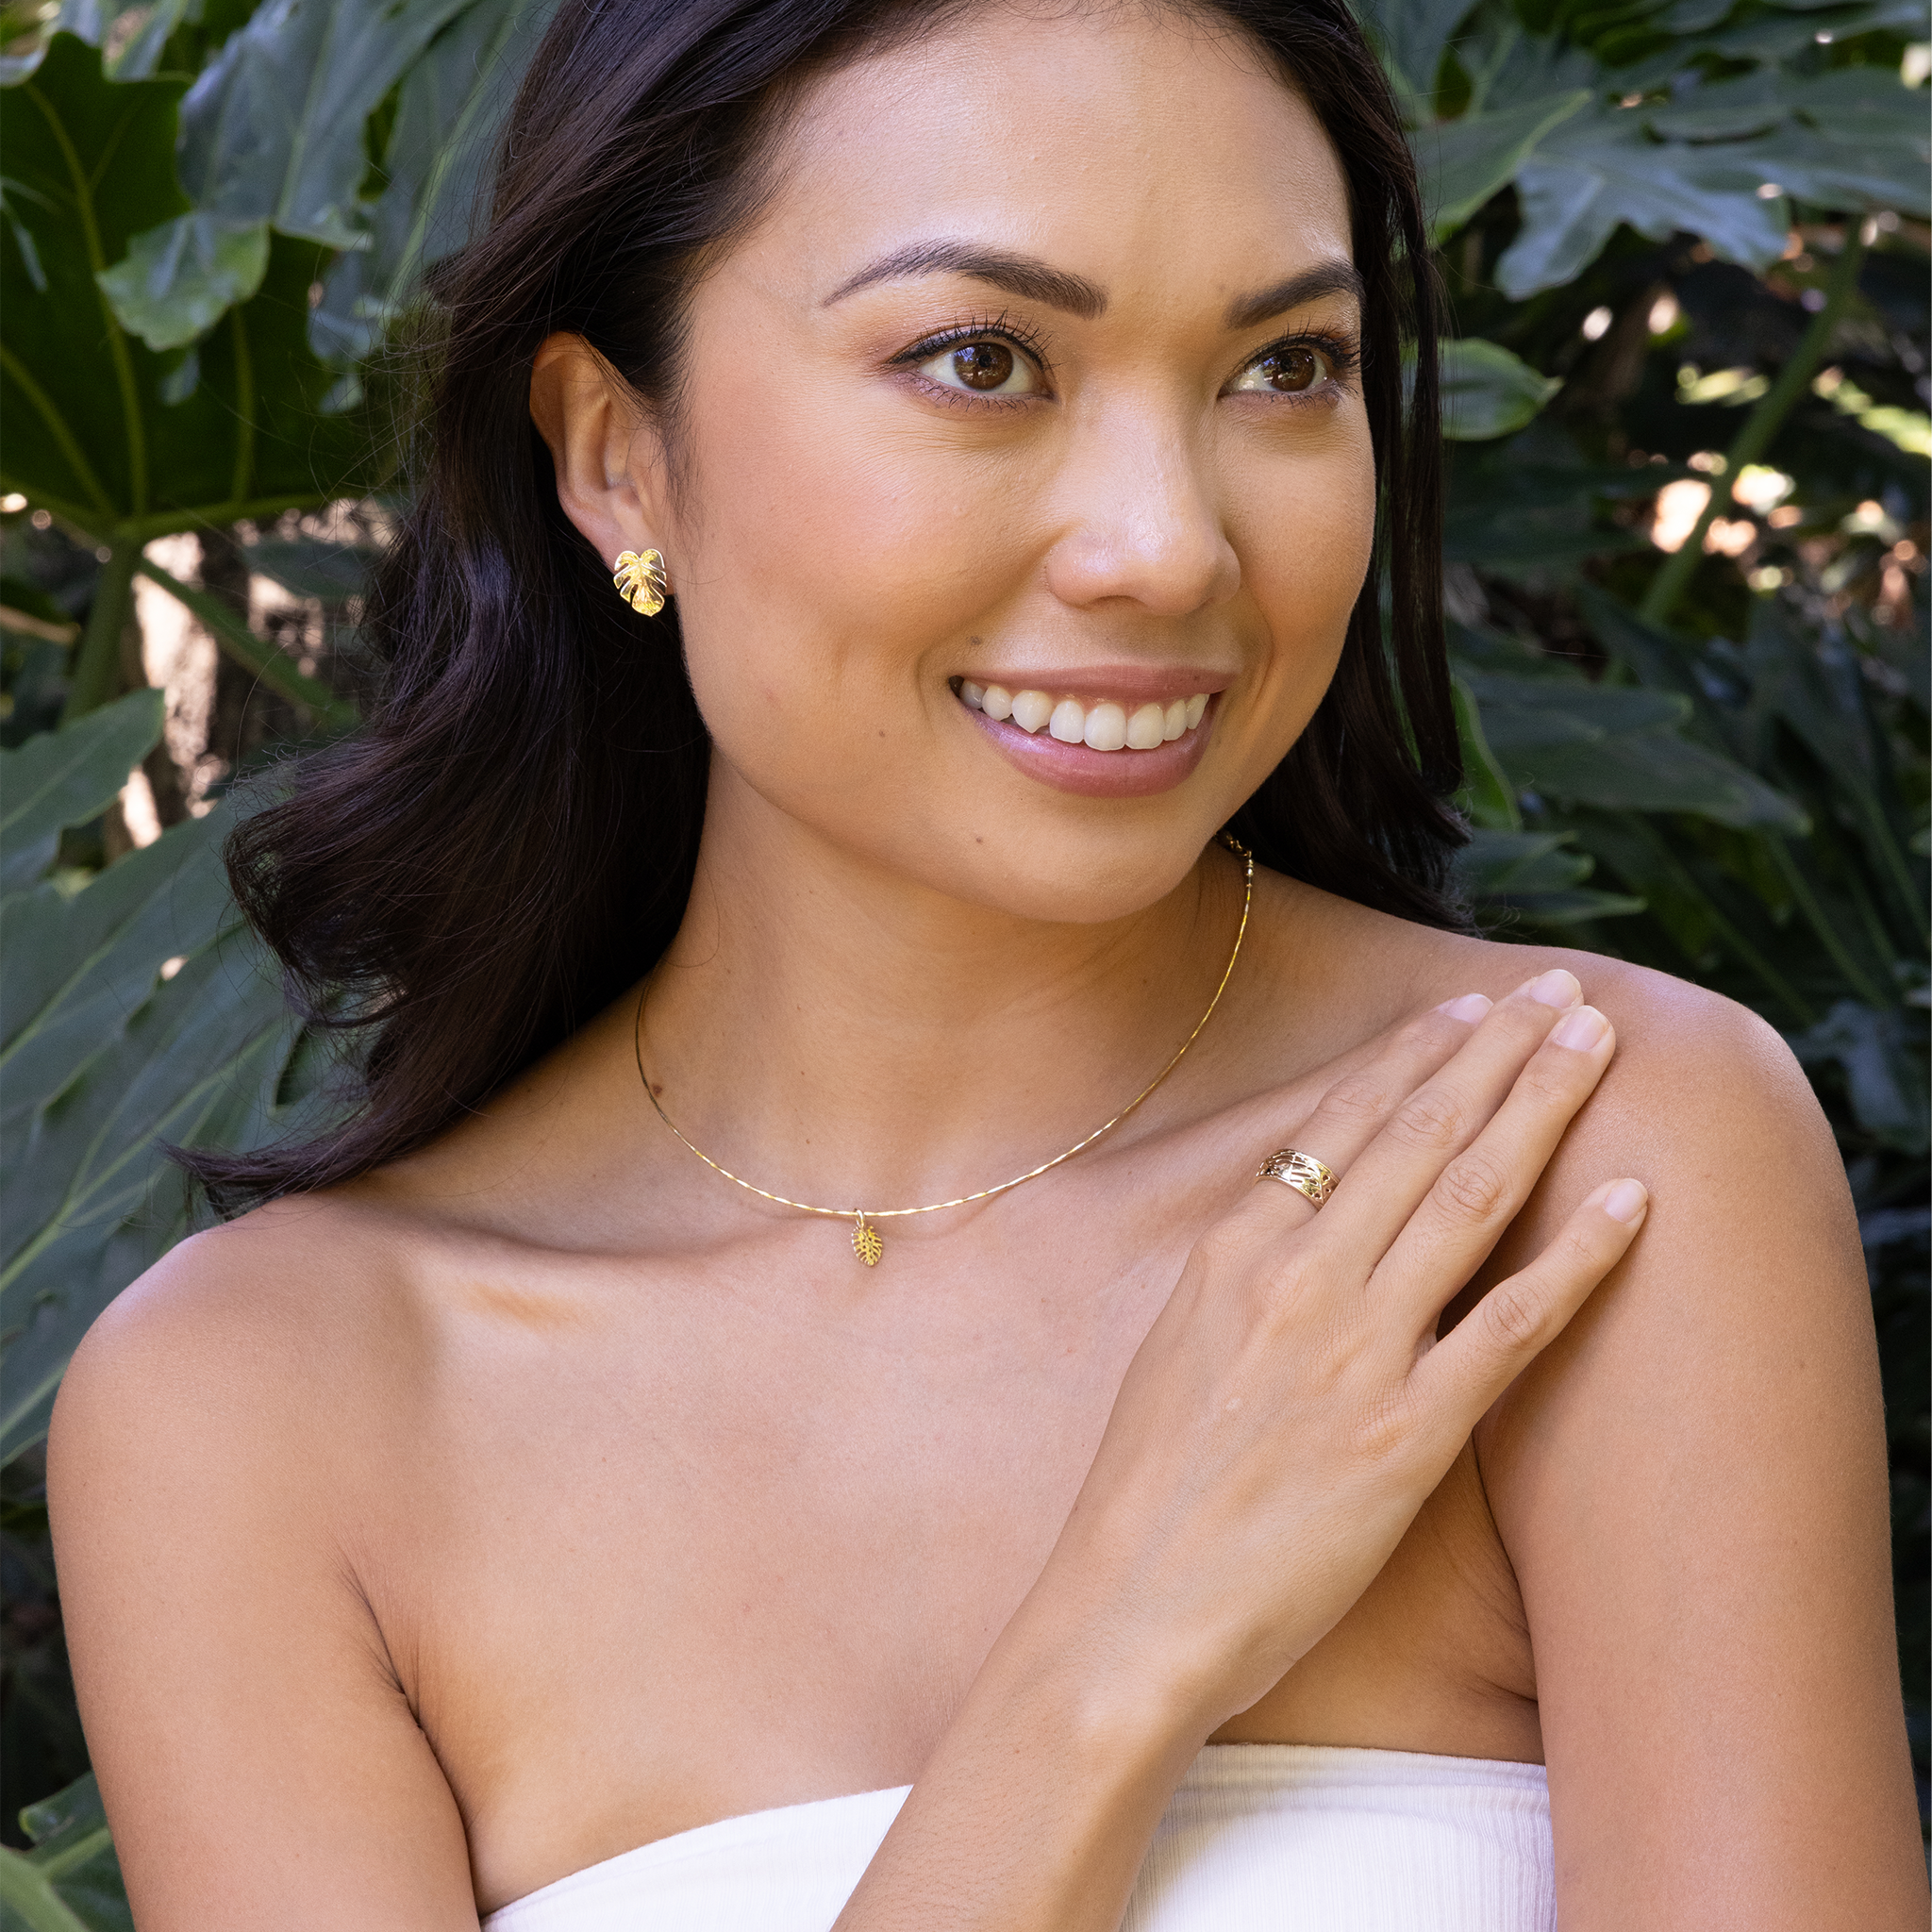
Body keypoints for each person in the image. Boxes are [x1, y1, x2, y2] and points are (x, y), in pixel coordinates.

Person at [46, 1, 1925, 1926]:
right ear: (618, 459)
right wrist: (1123, 1642)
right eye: (981, 359)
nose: (1166, 548)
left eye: (1284, 366)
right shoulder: (265, 1412)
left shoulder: (1567, 1168)